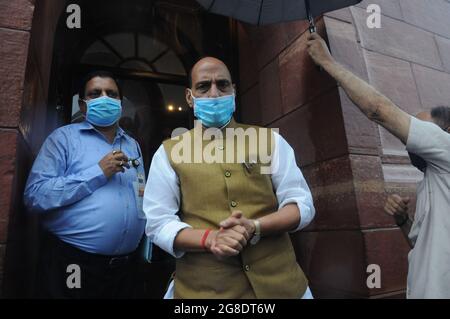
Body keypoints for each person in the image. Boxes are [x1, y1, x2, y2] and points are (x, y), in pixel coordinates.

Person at [143, 57, 316, 299]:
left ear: (233, 91)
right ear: (189, 98)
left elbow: (301, 204)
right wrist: (210, 238)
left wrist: (255, 227)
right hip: (203, 291)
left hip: (283, 286)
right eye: (204, 86)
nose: (214, 93)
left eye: (222, 85)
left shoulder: (269, 141)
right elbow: (158, 223)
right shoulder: (169, 152)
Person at [307, 33, 450, 299]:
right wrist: (403, 221)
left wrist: (329, 63)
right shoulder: (432, 180)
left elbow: (379, 110)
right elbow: (421, 245)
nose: (412, 143)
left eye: (421, 128)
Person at [24, 71, 146, 298]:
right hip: (74, 262)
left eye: (111, 94)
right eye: (95, 93)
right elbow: (36, 196)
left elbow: (140, 194)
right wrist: (98, 172)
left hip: (126, 268)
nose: (105, 98)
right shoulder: (63, 139)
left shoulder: (132, 145)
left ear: (120, 102)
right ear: (82, 103)